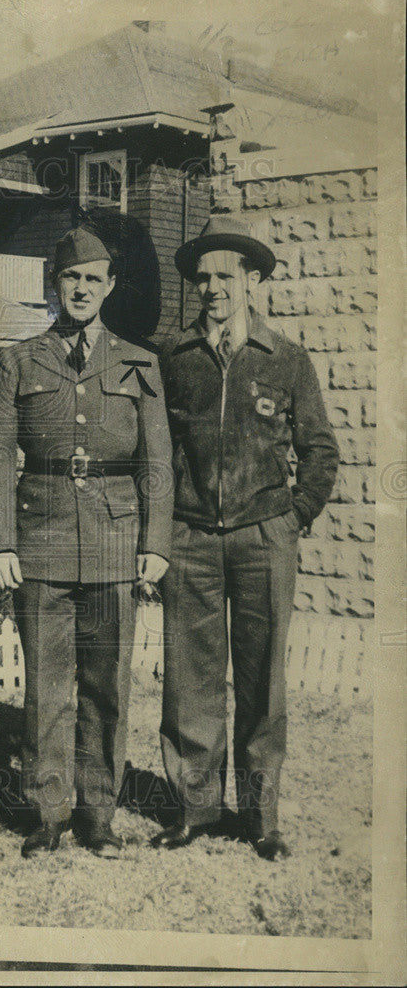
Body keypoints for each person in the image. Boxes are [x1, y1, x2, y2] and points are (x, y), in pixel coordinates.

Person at [0, 227, 173, 859]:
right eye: (71, 278)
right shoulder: (18, 362)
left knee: (108, 683)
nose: (81, 288)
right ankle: (47, 812)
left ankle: (99, 815)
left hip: (117, 538)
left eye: (93, 277)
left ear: (110, 286)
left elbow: (158, 464)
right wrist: (1, 545)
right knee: (46, 686)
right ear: (53, 286)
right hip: (41, 537)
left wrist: (157, 543)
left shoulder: (140, 362)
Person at [154, 216, 340, 860]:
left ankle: (262, 816)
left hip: (265, 539)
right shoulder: (173, 360)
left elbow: (320, 452)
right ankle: (196, 810)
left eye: (225, 276)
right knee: (191, 678)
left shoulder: (286, 359)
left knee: (262, 679)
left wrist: (294, 515)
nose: (212, 288)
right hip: (192, 540)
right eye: (202, 277)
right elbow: (159, 452)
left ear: (252, 280)